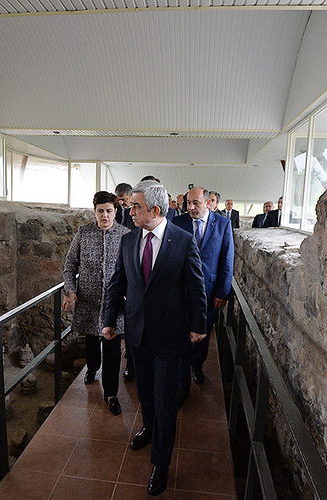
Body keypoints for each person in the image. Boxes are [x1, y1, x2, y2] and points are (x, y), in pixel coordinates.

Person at [103, 180, 207, 496]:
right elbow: (117, 283)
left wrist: (198, 325)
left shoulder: (183, 241)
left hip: (170, 337)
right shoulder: (128, 240)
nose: (130, 211)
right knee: (145, 394)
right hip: (137, 334)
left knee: (165, 402)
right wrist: (108, 321)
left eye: (136, 206)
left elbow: (196, 287)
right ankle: (148, 427)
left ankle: (160, 464)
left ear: (156, 210)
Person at [63, 191, 131, 416]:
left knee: (112, 349)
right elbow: (70, 265)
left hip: (115, 304)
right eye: (100, 211)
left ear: (116, 211)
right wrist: (70, 290)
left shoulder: (126, 235)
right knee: (92, 340)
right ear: (94, 211)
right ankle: (92, 368)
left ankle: (111, 394)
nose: (104, 215)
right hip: (89, 301)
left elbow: (133, 270)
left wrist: (130, 295)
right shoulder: (84, 233)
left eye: (109, 211)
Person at [172, 187, 233, 404]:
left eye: (195, 203)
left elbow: (227, 259)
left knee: (202, 333)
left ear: (207, 203)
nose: (190, 207)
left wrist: (222, 292)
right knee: (182, 336)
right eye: (188, 203)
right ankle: (182, 384)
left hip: (209, 292)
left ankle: (197, 366)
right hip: (181, 291)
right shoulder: (178, 222)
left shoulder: (223, 224)